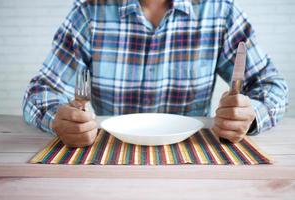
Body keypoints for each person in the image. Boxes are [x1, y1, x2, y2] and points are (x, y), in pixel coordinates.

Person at [23, 0, 288, 147]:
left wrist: (250, 113)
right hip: (110, 155)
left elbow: (272, 86)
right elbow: (39, 92)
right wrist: (57, 118)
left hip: (194, 160)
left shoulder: (220, 11)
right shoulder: (89, 11)